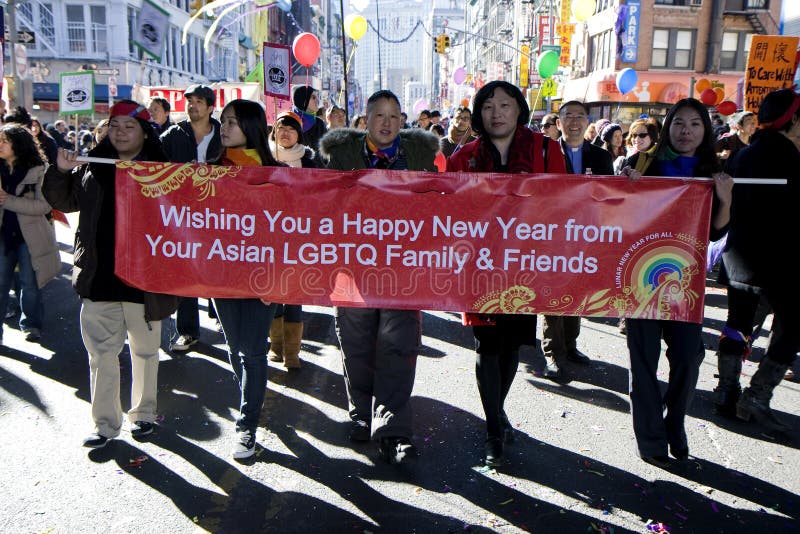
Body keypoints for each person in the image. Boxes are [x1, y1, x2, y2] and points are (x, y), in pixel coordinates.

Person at [42, 100, 179, 448]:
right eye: (114, 125)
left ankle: (144, 415)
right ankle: (105, 424)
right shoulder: (92, 165)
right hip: (99, 278)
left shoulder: (165, 171)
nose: (120, 132)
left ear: (144, 132)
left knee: (146, 353)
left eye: (128, 126)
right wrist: (60, 170)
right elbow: (62, 199)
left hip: (145, 283)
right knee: (102, 356)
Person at [447, 81, 567, 466]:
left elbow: (568, 202)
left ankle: (496, 411)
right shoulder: (463, 157)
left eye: (505, 104)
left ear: (519, 109)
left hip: (526, 266)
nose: (496, 112)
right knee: (487, 345)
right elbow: (448, 212)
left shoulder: (545, 150)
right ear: (478, 113)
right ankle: (493, 430)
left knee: (512, 345)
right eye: (488, 106)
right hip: (478, 266)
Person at [319, 89, 439, 465]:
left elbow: (440, 203)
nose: (386, 123)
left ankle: (394, 429)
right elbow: (320, 203)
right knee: (356, 344)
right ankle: (360, 413)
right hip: (352, 267)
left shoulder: (419, 156)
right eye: (378, 116)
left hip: (403, 270)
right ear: (365, 120)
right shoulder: (341, 157)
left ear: (402, 120)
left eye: (393, 116)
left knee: (399, 347)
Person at [620, 97, 733, 468]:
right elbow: (621, 216)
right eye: (679, 123)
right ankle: (650, 438)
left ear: (706, 130)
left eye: (695, 124)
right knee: (643, 363)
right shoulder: (644, 163)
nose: (686, 131)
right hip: (641, 278)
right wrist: (630, 187)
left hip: (688, 281)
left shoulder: (715, 170)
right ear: (668, 127)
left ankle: (675, 425)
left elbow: (718, 230)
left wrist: (725, 198)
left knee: (687, 358)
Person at [713, 88, 800, 433]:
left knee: (737, 322)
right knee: (792, 328)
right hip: (783, 261)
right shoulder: (792, 158)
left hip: (739, 256)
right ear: (792, 120)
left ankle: (726, 390)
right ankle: (757, 396)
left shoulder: (743, 155)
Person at [214, 98, 282, 459]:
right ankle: (250, 401)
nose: (224, 128)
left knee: (254, 354)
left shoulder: (277, 177)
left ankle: (246, 426)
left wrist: (279, 280)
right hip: (221, 278)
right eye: (223, 121)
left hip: (262, 279)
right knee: (235, 349)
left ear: (252, 127)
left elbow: (289, 233)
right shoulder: (207, 172)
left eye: (233, 122)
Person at [541, 100, 613, 379]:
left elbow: (611, 195)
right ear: (558, 124)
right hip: (552, 236)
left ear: (587, 122)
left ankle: (571, 345)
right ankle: (552, 353)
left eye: (579, 116)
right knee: (552, 295)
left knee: (578, 292)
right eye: (567, 116)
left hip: (586, 235)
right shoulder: (546, 153)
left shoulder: (601, 156)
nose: (574, 121)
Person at [160, 84, 223, 354]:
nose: (193, 105)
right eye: (189, 101)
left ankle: (224, 320)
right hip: (182, 216)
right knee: (185, 273)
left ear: (210, 107)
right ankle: (187, 332)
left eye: (199, 101)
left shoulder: (225, 134)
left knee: (220, 269)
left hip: (219, 216)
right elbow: (153, 167)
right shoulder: (172, 135)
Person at [0, 124, 61, 344]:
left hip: (30, 237)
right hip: (3, 236)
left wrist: (9, 200)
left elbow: (43, 207)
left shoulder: (39, 169)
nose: (0, 144)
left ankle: (31, 325)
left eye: (5, 141)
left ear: (19, 143)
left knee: (29, 283)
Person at [266, 110, 315, 370]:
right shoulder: (264, 157)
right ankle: (276, 346)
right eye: (281, 128)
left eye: (291, 129)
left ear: (299, 134)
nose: (285, 133)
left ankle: (293, 352)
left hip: (300, 236)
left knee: (294, 291)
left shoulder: (311, 160)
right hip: (270, 236)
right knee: (274, 291)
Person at [291, 85, 327, 161]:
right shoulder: (289, 121)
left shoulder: (319, 124)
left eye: (317, 97)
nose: (317, 100)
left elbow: (326, 154)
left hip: (317, 171)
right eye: (313, 97)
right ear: (302, 99)